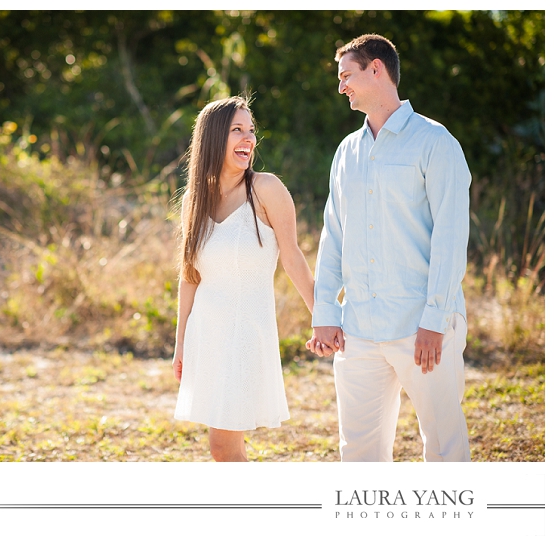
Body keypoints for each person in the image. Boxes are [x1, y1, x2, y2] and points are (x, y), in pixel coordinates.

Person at [307, 34, 472, 462]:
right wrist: (325, 312)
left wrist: (436, 318)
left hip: (422, 326)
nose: (341, 86)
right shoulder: (346, 152)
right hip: (358, 329)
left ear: (376, 69)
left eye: (346, 75)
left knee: (444, 447)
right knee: (358, 453)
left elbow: (451, 236)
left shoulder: (436, 143)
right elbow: (333, 236)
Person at [172, 95, 315, 462]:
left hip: (245, 334)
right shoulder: (195, 199)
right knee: (221, 445)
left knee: (223, 445)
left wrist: (323, 314)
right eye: (237, 130)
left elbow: (292, 257)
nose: (248, 139)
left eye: (251, 131)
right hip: (207, 334)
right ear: (213, 138)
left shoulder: (266, 188)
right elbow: (190, 276)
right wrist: (180, 343)